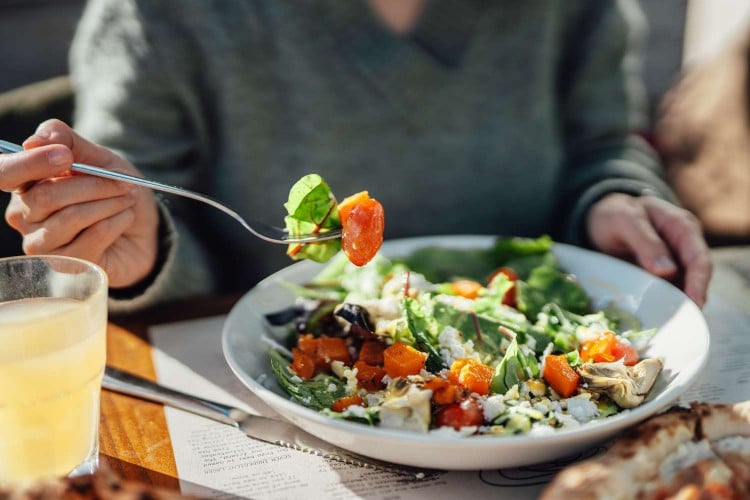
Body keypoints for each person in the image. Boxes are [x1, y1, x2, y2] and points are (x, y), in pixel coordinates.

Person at [0, 0, 711, 311]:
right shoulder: (161, 14)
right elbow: (140, 207)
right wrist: (141, 246)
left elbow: (602, 145)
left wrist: (614, 197)